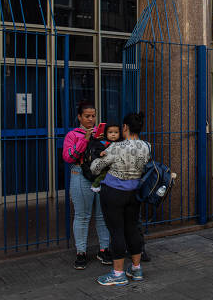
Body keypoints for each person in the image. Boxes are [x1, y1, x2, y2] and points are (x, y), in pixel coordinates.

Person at [92, 112, 151, 286]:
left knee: (116, 231)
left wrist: (100, 156)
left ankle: (118, 274)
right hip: (134, 193)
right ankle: (136, 269)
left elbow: (96, 168)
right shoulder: (146, 146)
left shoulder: (116, 147)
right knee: (132, 229)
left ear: (125, 127)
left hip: (114, 193)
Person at [62, 101, 112, 270]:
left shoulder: (101, 134)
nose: (91, 119)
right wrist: (85, 140)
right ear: (79, 117)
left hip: (100, 176)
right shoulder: (72, 135)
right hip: (80, 175)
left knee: (102, 215)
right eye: (87, 116)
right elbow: (69, 157)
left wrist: (105, 142)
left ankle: (104, 249)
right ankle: (81, 252)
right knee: (82, 216)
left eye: (93, 116)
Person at [82, 124, 122, 193]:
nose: (113, 134)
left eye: (116, 132)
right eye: (110, 132)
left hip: (116, 166)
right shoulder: (103, 142)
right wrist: (100, 153)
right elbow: (97, 150)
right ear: (106, 134)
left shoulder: (120, 143)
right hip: (106, 167)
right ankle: (95, 185)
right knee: (102, 176)